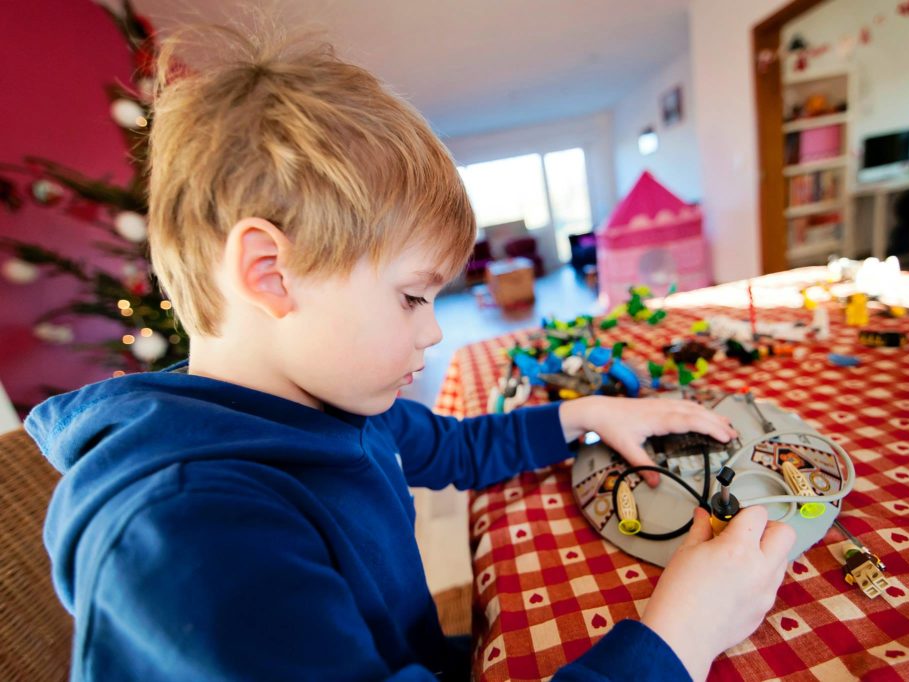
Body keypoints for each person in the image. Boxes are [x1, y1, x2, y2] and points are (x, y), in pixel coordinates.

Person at [25, 21, 794, 682]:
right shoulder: (192, 545)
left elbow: (457, 446)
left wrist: (592, 410)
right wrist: (682, 635)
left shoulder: (325, 404)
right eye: (411, 297)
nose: (433, 331)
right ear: (272, 273)